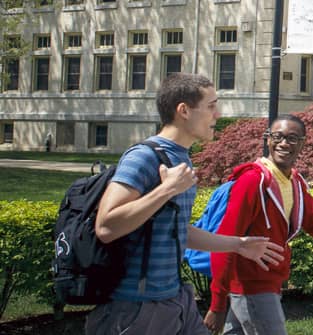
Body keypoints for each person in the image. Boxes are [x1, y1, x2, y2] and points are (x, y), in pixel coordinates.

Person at [88, 73, 285, 335]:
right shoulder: (144, 157)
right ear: (184, 110)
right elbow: (106, 226)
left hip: (176, 300)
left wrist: (238, 245)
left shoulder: (181, 159)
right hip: (137, 310)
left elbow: (178, 228)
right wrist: (167, 189)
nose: (218, 115)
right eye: (211, 106)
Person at [204, 115, 313, 334]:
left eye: (292, 138)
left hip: (266, 285)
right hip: (252, 288)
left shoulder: (294, 183)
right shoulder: (252, 181)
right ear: (267, 139)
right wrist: (217, 303)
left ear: (302, 143)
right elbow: (225, 242)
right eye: (277, 136)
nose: (283, 143)